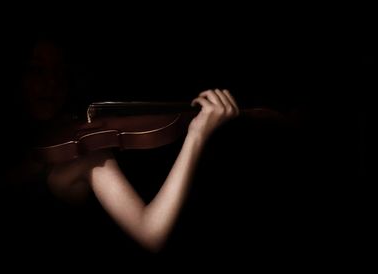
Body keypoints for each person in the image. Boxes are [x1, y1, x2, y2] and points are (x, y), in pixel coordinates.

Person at [16, 38, 239, 253]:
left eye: (59, 71)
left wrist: (197, 135)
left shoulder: (86, 153)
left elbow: (152, 234)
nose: (52, 83)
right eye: (36, 69)